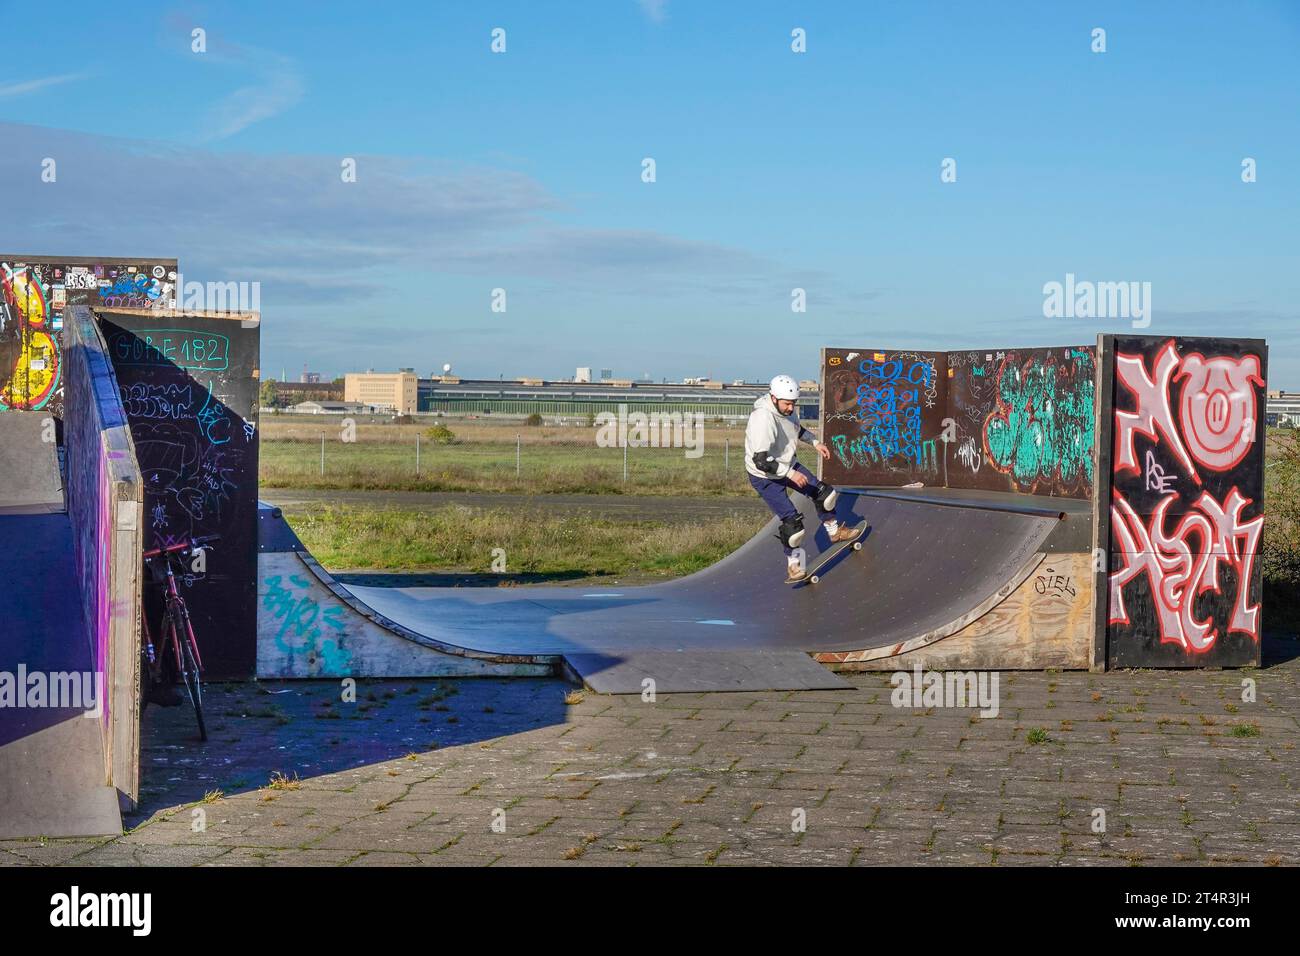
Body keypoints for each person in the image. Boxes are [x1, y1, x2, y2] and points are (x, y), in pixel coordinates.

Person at [745, 375, 855, 580]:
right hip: (764, 476)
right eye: (787, 404)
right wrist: (790, 474)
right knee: (793, 525)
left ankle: (834, 532)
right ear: (773, 398)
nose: (790, 408)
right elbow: (761, 461)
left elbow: (797, 429)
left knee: (825, 494)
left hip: (787, 464)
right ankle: (794, 565)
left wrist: (815, 443)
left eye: (793, 404)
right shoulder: (763, 418)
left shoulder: (787, 411)